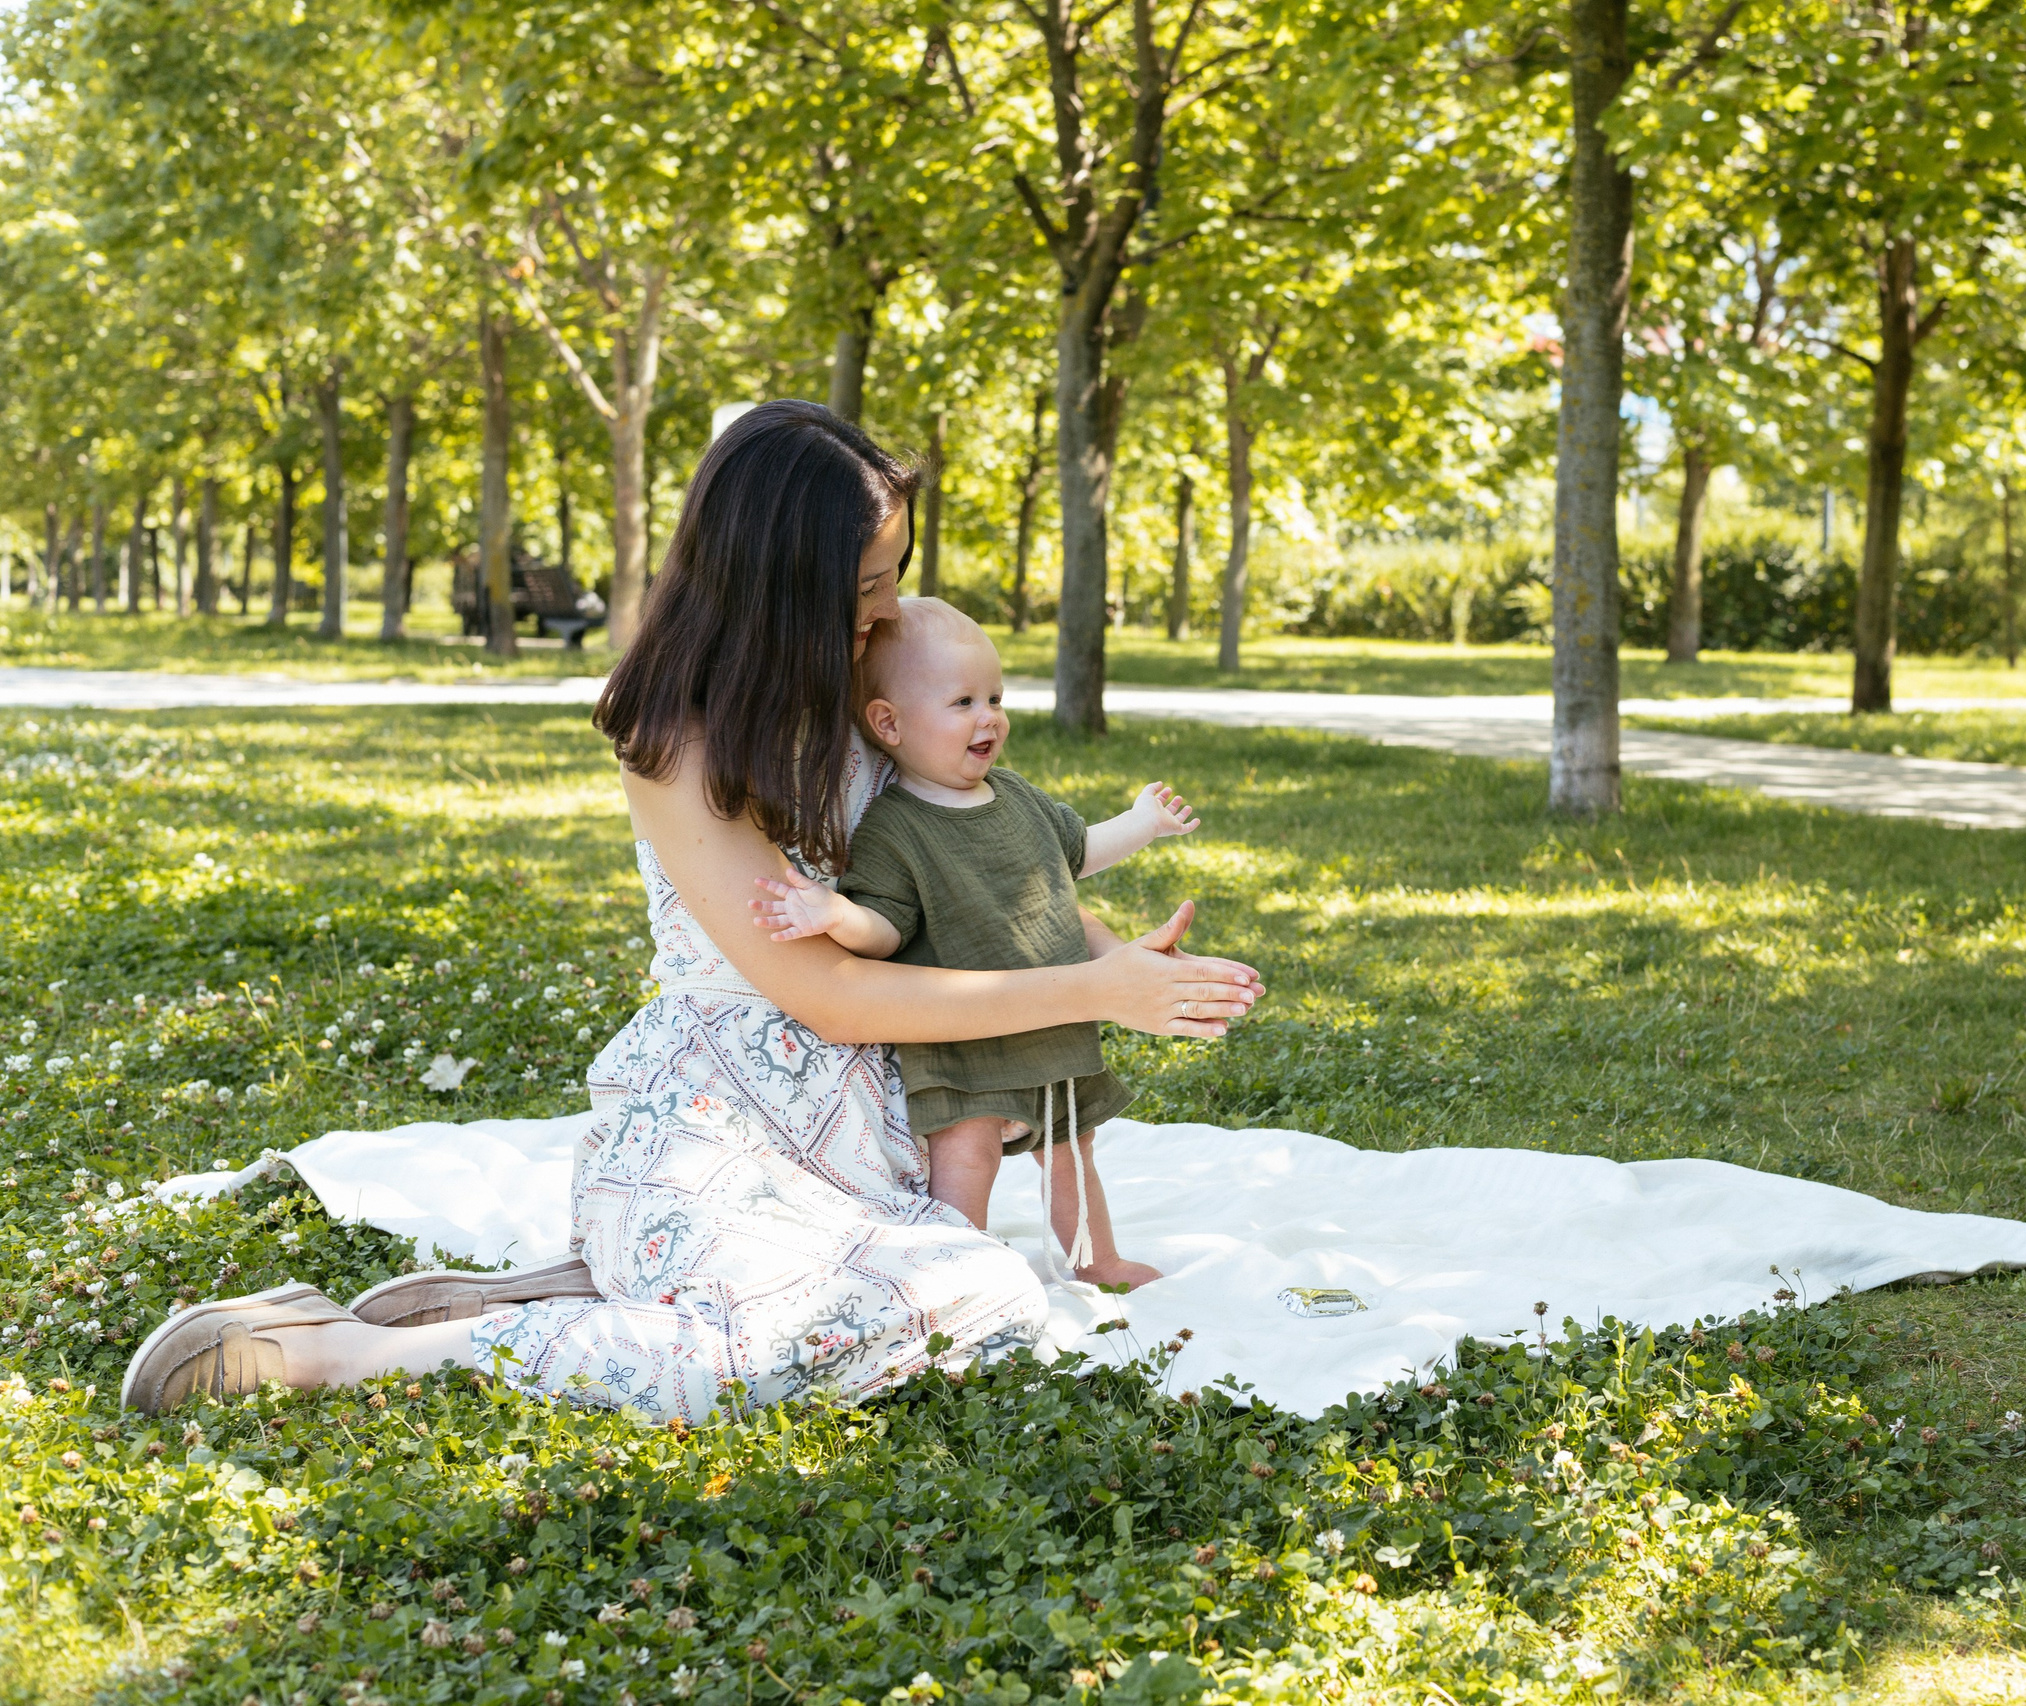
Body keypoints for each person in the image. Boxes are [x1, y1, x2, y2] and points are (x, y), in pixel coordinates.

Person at [122, 400, 1264, 1419]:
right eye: (864, 583)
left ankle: (587, 1293)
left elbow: (989, 863)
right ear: (778, 582)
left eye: (893, 572)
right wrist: (1096, 989)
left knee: (979, 1303)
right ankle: (350, 1351)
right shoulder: (678, 741)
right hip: (721, 1110)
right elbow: (826, 989)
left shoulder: (873, 679)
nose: (888, 608)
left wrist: (1126, 954)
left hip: (871, 1131)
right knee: (882, 1322)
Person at [749, 596, 1199, 1286]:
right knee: (967, 1155)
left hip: (1051, 1022)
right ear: (889, 723)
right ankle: (954, 1274)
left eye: (994, 696)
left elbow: (1075, 852)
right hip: (962, 1037)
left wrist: (1142, 823)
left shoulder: (1016, 796)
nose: (989, 716)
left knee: (1072, 1151)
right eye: (962, 701)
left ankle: (1097, 1260)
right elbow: (886, 929)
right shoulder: (893, 830)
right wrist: (835, 916)